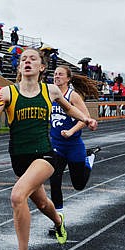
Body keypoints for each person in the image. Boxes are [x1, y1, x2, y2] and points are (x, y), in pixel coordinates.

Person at [0, 48, 98, 250]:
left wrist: (85, 119)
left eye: (32, 58)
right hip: (19, 159)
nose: (27, 61)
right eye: (23, 59)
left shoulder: (51, 90)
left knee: (17, 197)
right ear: (18, 67)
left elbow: (69, 108)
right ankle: (58, 222)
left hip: (45, 156)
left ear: (41, 67)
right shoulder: (6, 92)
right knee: (44, 203)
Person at [48, 66, 101, 234]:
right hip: (56, 146)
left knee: (78, 185)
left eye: (60, 74)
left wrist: (70, 131)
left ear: (68, 78)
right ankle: (59, 221)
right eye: (55, 74)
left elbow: (85, 118)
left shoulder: (73, 96)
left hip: (74, 146)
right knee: (54, 182)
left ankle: (89, 159)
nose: (56, 76)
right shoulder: (49, 94)